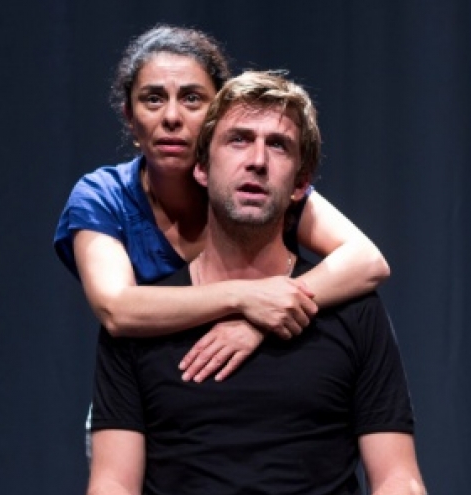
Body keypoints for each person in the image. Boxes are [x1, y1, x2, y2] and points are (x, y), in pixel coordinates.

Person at [53, 25, 391, 475]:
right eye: (152, 99)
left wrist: (261, 318)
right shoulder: (103, 196)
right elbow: (116, 309)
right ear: (130, 119)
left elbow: (366, 260)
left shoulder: (249, 182)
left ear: (218, 112)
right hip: (160, 389)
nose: (172, 117)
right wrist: (246, 298)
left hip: (268, 377)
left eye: (192, 99)